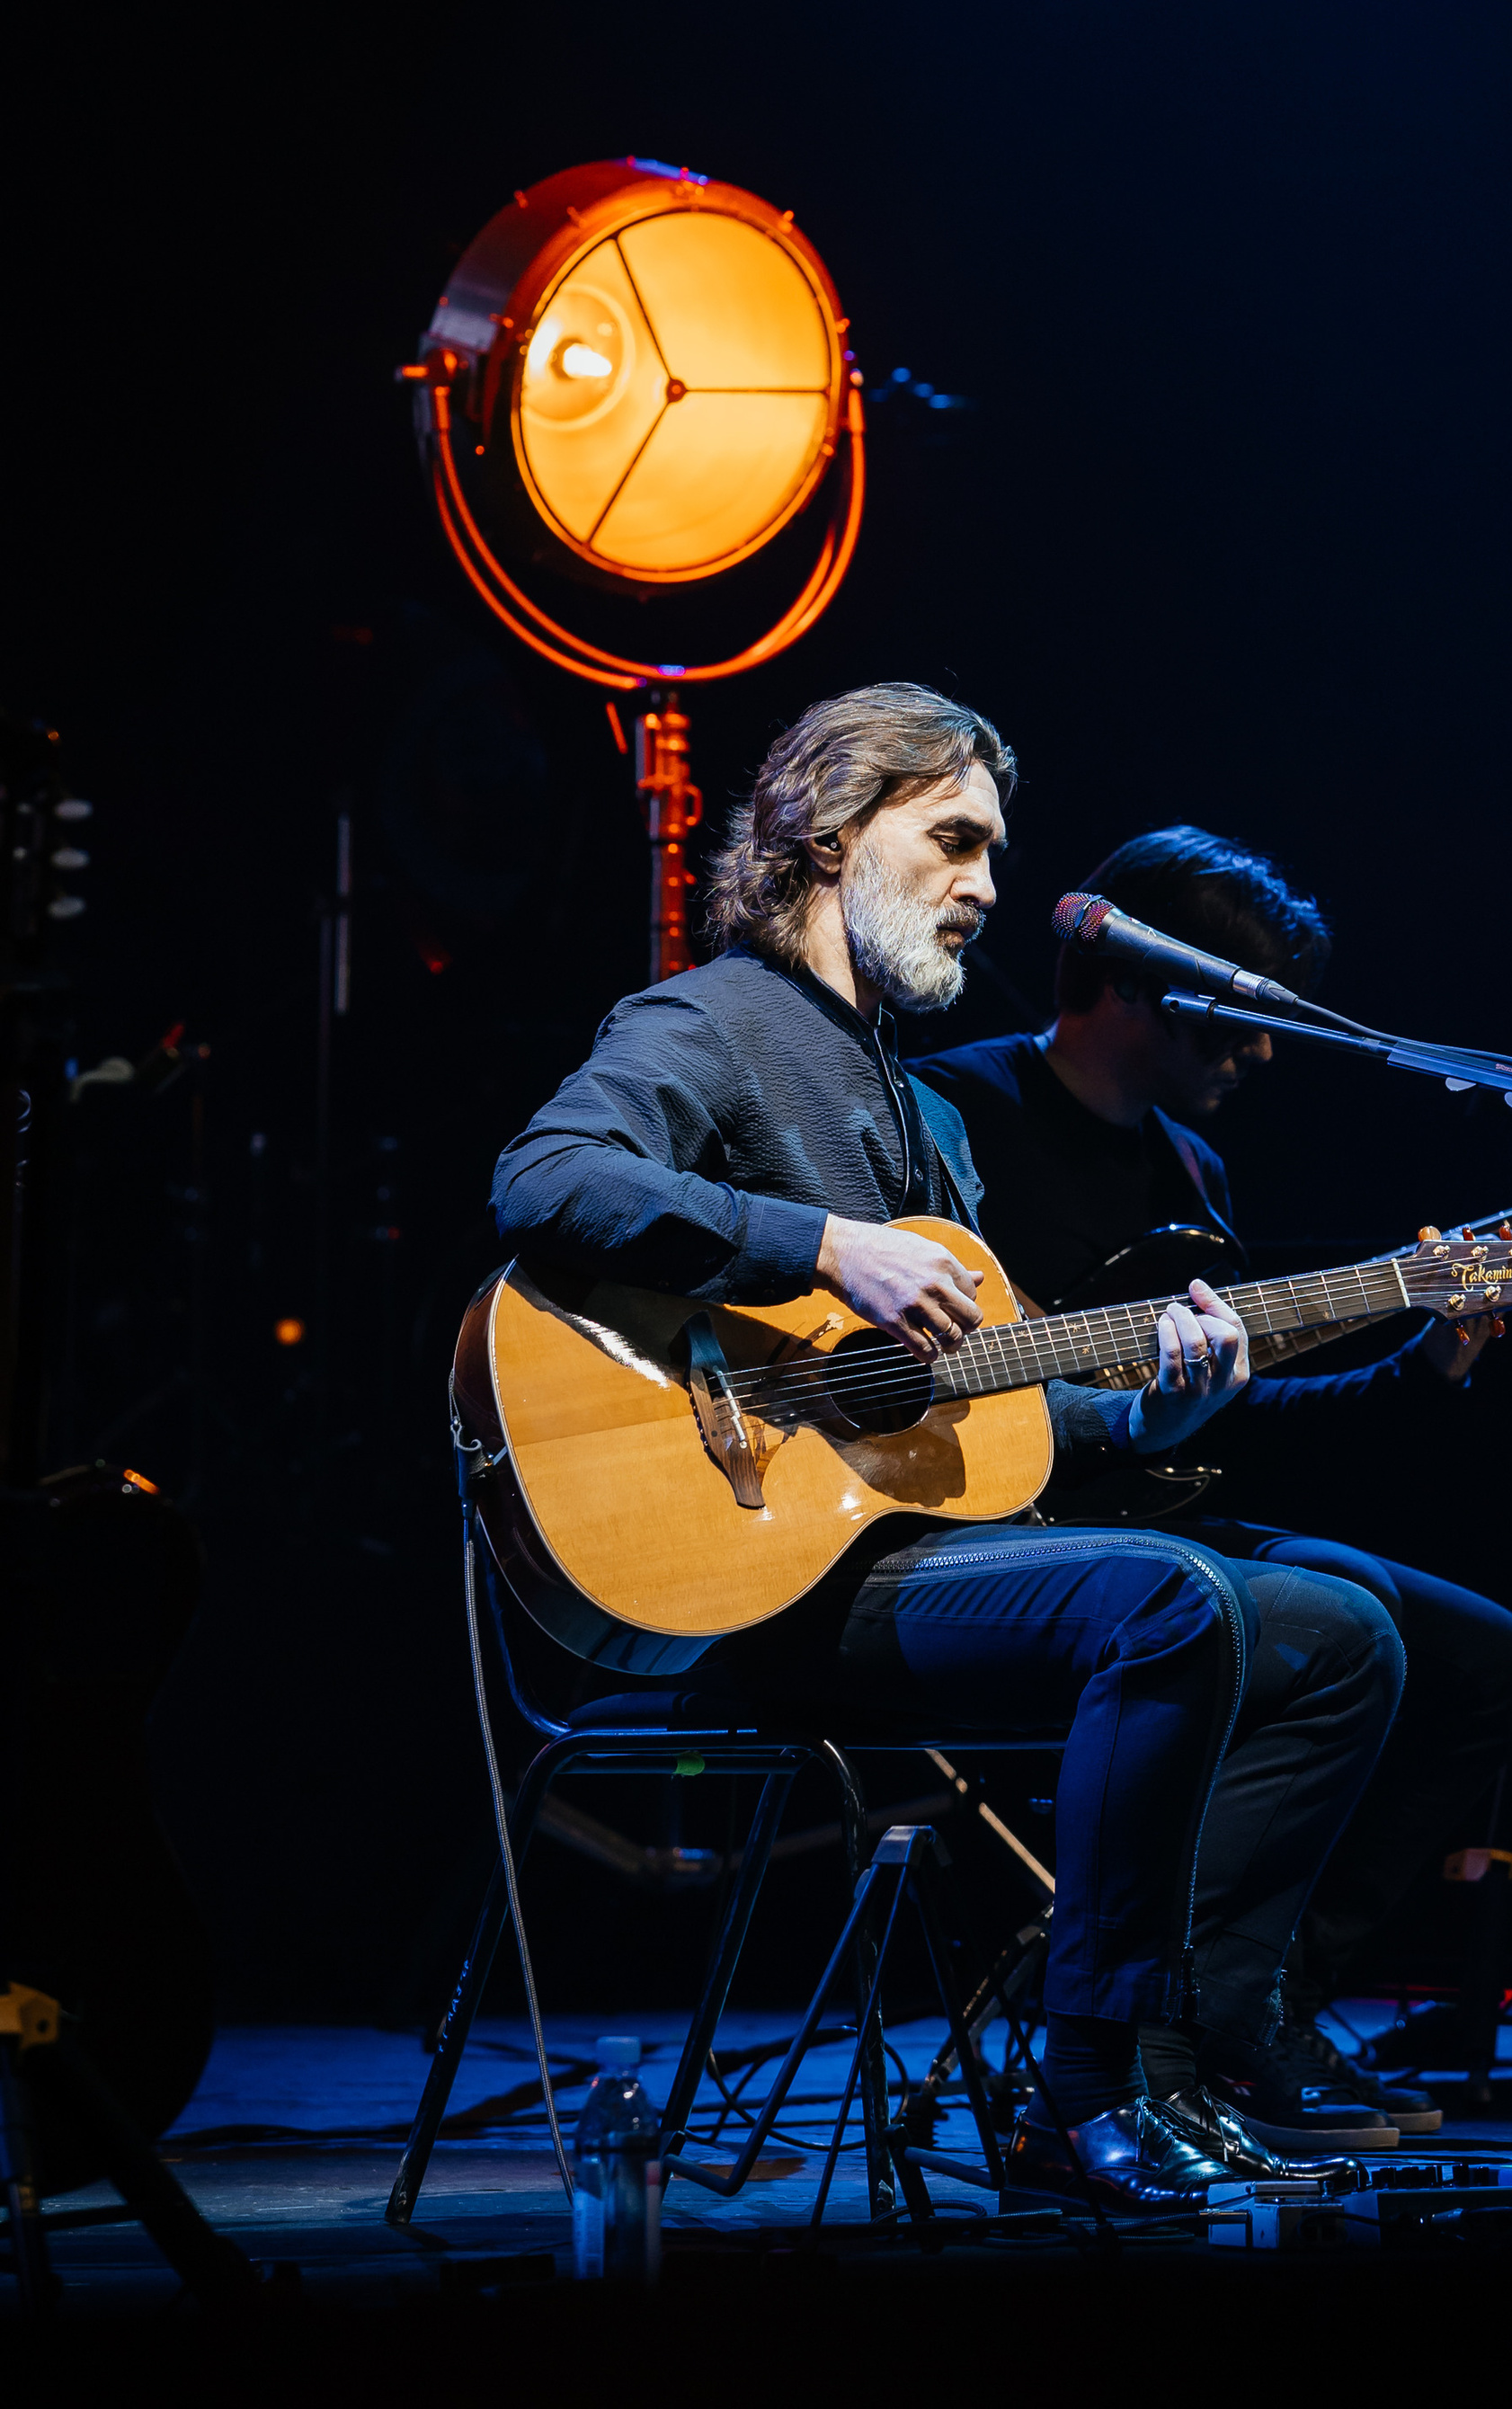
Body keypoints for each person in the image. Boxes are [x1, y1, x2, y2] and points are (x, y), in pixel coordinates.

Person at [488, 686, 1405, 2211]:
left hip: (906, 1554)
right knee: (1172, 1602)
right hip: (763, 1580)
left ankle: (1200, 2044)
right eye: (955, 841)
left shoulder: (916, 1113)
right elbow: (545, 1176)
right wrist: (822, 1245)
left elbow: (989, 1399)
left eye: (993, 848)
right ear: (831, 835)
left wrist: (1160, 1406)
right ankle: (1087, 2087)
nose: (988, 886)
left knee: (1345, 1636)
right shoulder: (706, 1022)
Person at [916, 827, 1512, 2142]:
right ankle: (1172, 2021)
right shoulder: (952, 1115)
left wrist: (1428, 1359)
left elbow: (1239, 1425)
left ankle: (1253, 2007)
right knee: (1346, 1604)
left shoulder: (1192, 1174)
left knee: (1493, 1664)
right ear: (1141, 991)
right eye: (1241, 1023)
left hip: (1166, 1520)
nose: (1262, 1055)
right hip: (1000, 1541)